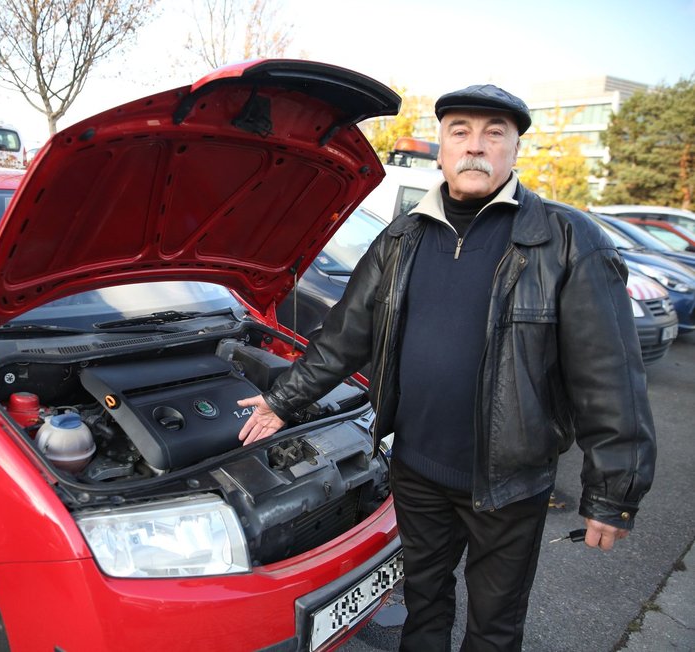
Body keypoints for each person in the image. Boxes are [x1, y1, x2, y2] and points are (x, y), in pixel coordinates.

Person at [237, 84, 656, 651]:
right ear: (442, 147)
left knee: (494, 626)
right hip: (416, 472)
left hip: (508, 485)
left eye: (494, 134)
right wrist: (281, 400)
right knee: (425, 606)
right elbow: (344, 336)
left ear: (514, 150)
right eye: (460, 132)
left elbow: (610, 377)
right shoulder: (402, 237)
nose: (475, 146)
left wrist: (612, 491)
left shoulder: (567, 240)